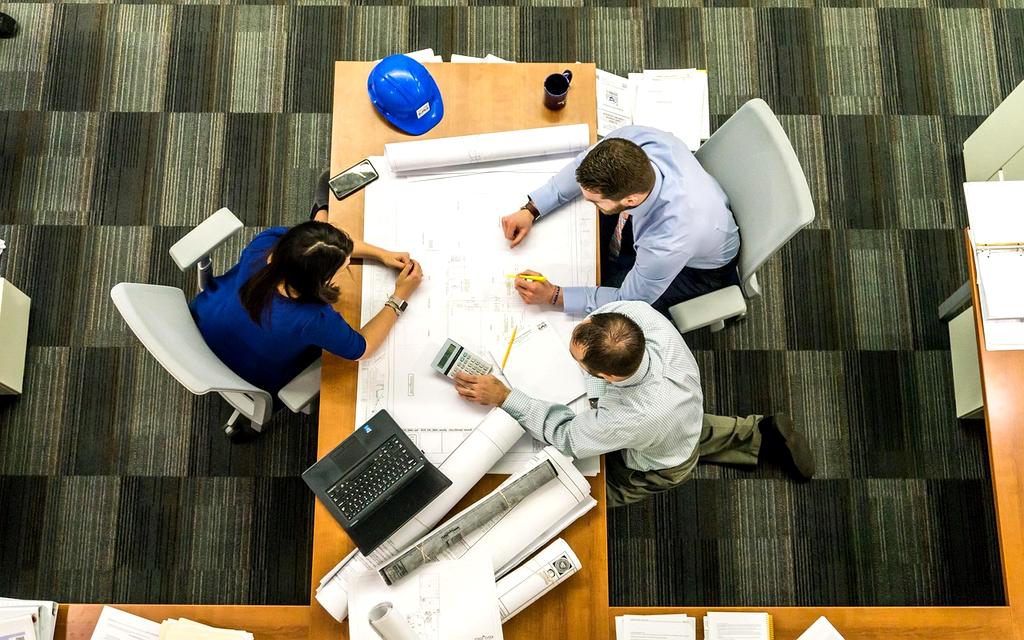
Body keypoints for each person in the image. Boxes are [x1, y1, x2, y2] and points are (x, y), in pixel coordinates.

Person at [451, 301, 815, 507]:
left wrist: (505, 396)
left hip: (661, 460)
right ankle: (759, 433)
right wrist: (597, 392)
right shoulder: (636, 316)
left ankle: (584, 505)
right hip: (681, 410)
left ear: (609, 376)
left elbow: (568, 437)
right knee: (687, 429)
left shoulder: (632, 417)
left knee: (591, 495)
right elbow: (601, 320)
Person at [190, 206, 421, 438]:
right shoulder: (311, 319)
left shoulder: (268, 243)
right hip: (250, 372)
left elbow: (317, 247)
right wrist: (399, 297)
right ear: (320, 281)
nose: (347, 266)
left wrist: (381, 253)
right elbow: (362, 348)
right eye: (342, 268)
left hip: (204, 319)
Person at [500, 126, 740, 318]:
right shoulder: (632, 140)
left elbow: (628, 300)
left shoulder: (668, 241)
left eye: (594, 200)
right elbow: (579, 167)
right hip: (696, 213)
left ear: (631, 199)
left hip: (699, 270)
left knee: (611, 311)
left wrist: (554, 295)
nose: (587, 201)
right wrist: (532, 209)